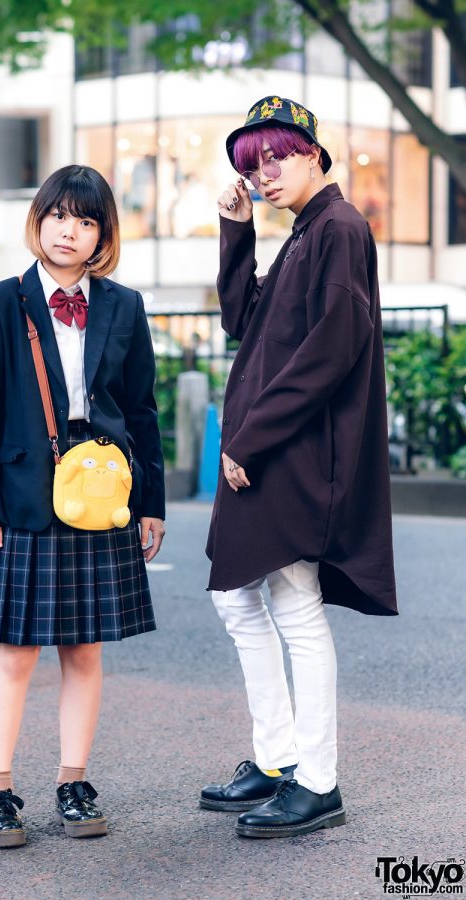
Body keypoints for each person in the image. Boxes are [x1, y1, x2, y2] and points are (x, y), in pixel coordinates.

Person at [201, 96, 397, 839]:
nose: (263, 172)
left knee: (291, 600)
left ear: (314, 151)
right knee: (243, 598)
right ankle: (280, 760)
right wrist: (235, 232)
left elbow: (332, 348)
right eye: (254, 164)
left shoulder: (339, 229)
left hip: (292, 450)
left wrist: (250, 439)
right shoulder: (306, 233)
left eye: (276, 155)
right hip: (274, 446)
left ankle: (316, 780)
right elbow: (243, 324)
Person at [0, 164, 165, 848]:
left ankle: (73, 782)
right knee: (15, 651)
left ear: (102, 233)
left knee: (84, 650)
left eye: (85, 220)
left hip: (104, 495)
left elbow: (141, 409)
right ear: (39, 221)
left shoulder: (124, 305)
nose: (68, 230)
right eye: (57, 216)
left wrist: (151, 503)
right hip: (23, 499)